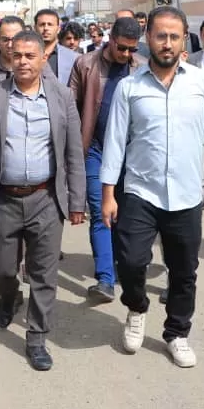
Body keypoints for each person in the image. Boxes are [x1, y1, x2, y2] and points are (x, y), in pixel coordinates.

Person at [100, 6, 204, 368]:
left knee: (184, 270)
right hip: (140, 192)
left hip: (188, 193)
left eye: (175, 36)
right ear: (149, 38)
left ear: (183, 39)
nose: (168, 43)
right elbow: (115, 143)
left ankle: (177, 332)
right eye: (161, 35)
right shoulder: (130, 88)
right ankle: (137, 308)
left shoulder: (202, 84)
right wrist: (109, 194)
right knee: (130, 261)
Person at [0, 30, 86, 371]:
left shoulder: (61, 97)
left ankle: (36, 338)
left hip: (46, 198)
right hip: (2, 198)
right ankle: (9, 295)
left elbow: (74, 153)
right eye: (17, 55)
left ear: (44, 58)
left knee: (44, 272)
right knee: (0, 268)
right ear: (8, 56)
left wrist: (78, 201)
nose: (23, 62)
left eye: (30, 56)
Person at [68, 15, 145, 303]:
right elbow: (69, 106)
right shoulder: (85, 64)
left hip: (131, 155)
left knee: (125, 215)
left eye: (131, 49)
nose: (126, 54)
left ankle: (120, 265)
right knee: (101, 212)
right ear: (110, 39)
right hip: (96, 150)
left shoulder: (141, 69)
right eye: (121, 48)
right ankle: (105, 280)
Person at [33, 9, 78, 86]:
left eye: (50, 24)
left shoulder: (74, 58)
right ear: (35, 28)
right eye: (42, 24)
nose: (46, 28)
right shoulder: (24, 55)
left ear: (58, 29)